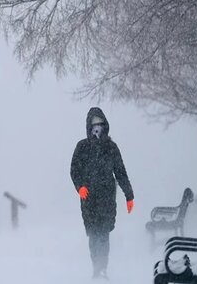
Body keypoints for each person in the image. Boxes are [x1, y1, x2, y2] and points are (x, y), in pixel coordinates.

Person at [70, 107, 134, 279]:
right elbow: (74, 170)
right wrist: (80, 186)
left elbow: (120, 172)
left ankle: (102, 267)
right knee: (93, 233)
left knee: (104, 234)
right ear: (88, 127)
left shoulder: (111, 147)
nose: (97, 128)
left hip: (106, 198)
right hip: (89, 199)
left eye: (100, 124)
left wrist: (129, 195)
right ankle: (95, 266)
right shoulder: (82, 147)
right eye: (94, 124)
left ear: (105, 126)